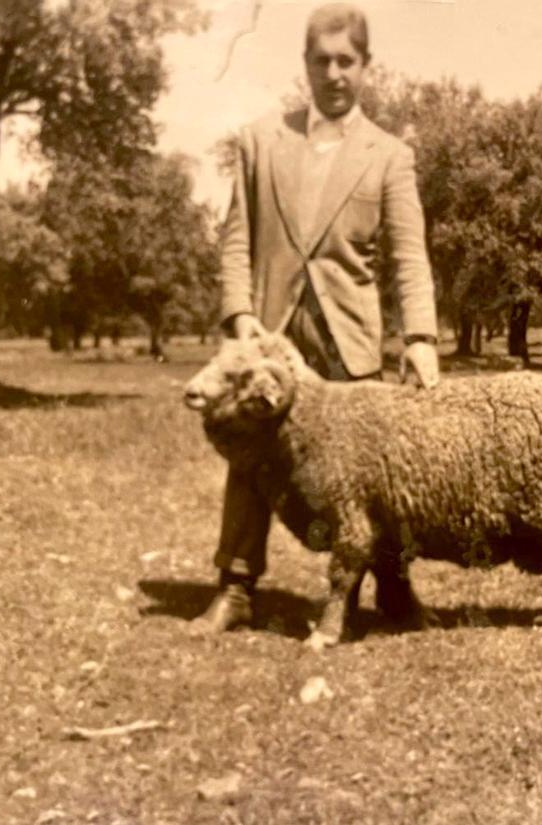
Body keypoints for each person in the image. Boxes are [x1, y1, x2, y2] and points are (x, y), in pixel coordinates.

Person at [192, 2, 440, 634]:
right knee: (251, 460)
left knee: (375, 473)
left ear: (365, 66)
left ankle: (392, 586)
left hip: (350, 338)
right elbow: (235, 240)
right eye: (321, 61)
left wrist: (419, 337)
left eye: (346, 62)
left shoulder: (388, 155)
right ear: (304, 64)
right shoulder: (259, 142)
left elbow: (410, 254)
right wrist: (240, 316)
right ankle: (236, 586)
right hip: (269, 333)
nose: (334, 74)